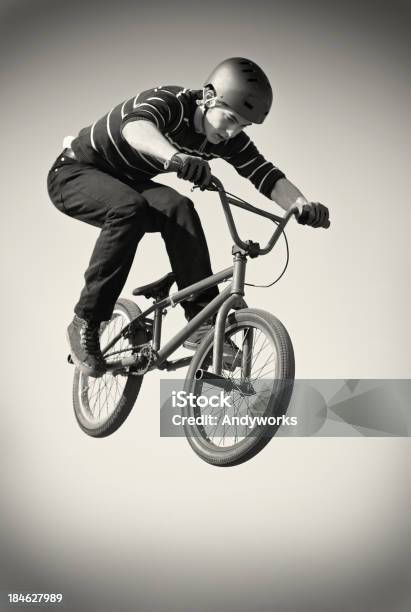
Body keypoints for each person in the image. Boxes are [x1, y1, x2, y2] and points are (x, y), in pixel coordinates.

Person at [47, 57, 329, 377]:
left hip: (128, 184)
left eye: (242, 125)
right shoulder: (173, 102)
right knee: (129, 208)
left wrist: (302, 206)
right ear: (209, 97)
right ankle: (86, 319)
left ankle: (202, 323)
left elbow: (266, 175)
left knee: (179, 207)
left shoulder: (228, 140)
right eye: (229, 118)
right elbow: (135, 127)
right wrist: (177, 158)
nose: (232, 130)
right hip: (74, 172)